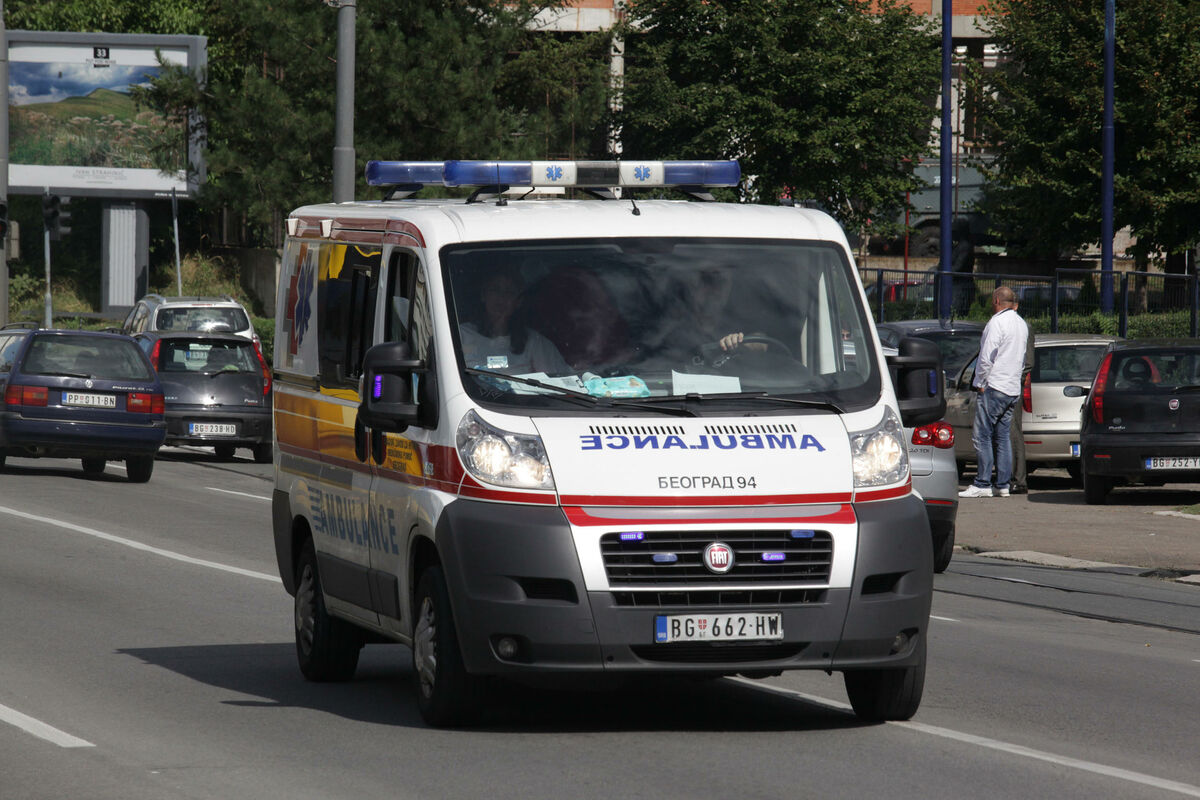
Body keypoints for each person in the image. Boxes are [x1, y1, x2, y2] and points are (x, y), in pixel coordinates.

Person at [960, 286, 1030, 498]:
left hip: (995, 385)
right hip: (1012, 387)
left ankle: (982, 483)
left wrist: (981, 381)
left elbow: (986, 356)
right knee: (1002, 436)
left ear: (997, 300)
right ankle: (1002, 484)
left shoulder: (996, 323)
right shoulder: (1021, 324)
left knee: (982, 435)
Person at [458, 269, 570, 376]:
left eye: (509, 292)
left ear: (519, 301)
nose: (501, 297)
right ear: (483, 295)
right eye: (495, 289)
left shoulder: (535, 342)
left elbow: (559, 381)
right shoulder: (461, 335)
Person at [1009, 304, 1036, 494]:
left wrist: (1016, 378)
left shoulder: (1023, 327)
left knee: (1013, 430)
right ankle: (1008, 477)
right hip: (1004, 383)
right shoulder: (999, 324)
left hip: (1010, 385)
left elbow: (1028, 362)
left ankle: (1018, 479)